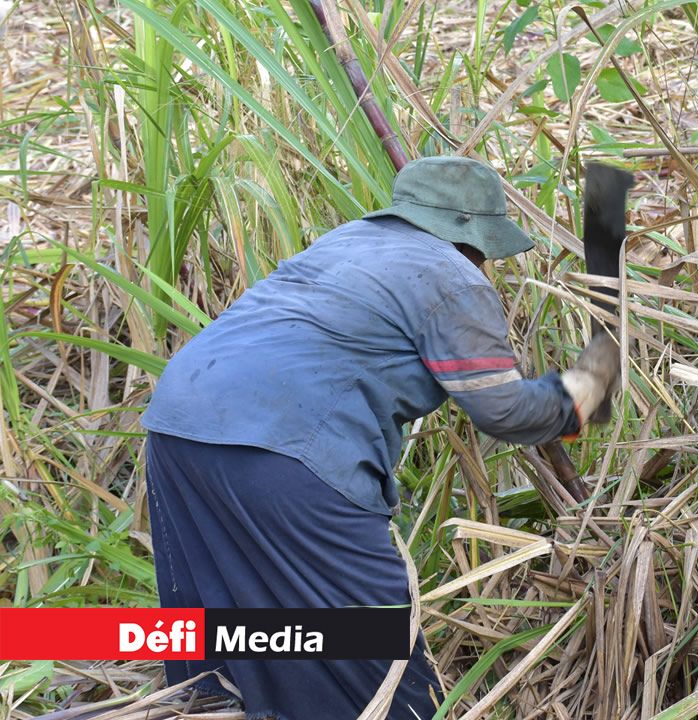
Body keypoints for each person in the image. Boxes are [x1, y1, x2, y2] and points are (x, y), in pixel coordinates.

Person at [139, 156, 620, 719]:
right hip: (288, 451)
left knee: (224, 639)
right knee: (375, 652)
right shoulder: (452, 276)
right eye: (487, 254)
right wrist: (580, 393)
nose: (485, 266)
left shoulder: (345, 243)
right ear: (472, 237)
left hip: (177, 428)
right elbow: (504, 410)